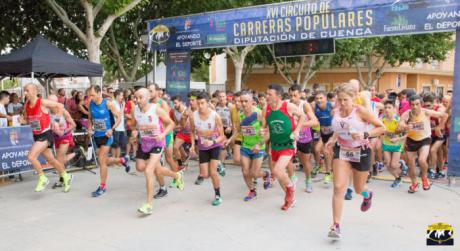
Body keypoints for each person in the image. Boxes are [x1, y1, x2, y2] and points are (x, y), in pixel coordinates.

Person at [325, 82, 385, 239]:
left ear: (353, 98)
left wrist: (365, 135)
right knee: (338, 187)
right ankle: (336, 225)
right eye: (339, 99)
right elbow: (339, 130)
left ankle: (367, 194)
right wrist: (332, 139)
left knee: (358, 189)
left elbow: (381, 127)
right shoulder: (335, 112)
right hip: (342, 151)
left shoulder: (361, 112)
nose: (342, 103)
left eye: (345, 100)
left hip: (361, 152)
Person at [131, 88, 184, 215]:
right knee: (142, 167)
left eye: (140, 97)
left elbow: (171, 124)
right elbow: (134, 124)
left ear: (148, 97)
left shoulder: (156, 109)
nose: (137, 100)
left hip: (157, 143)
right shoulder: (135, 110)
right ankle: (177, 175)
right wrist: (134, 131)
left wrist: (163, 134)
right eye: (136, 97)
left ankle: (148, 205)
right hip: (144, 143)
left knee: (149, 170)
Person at [22, 84, 72, 192]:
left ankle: (42, 177)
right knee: (51, 160)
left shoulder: (42, 102)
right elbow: (28, 120)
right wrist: (23, 121)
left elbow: (60, 106)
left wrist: (57, 121)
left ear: (35, 91)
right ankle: (65, 176)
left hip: (45, 135)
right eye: (24, 91)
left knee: (31, 156)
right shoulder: (26, 105)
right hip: (37, 135)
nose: (25, 93)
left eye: (27, 90)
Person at [263, 84, 305, 211]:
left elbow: (302, 116)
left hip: (288, 144)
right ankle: (289, 198)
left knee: (277, 170)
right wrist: (261, 133)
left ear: (278, 96)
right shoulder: (266, 109)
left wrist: (297, 130)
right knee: (280, 174)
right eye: (267, 93)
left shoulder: (288, 106)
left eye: (270, 94)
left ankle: (290, 188)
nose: (267, 96)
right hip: (275, 145)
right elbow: (265, 128)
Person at [398, 95, 447, 193]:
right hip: (411, 140)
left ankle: (424, 179)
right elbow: (400, 124)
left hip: (424, 139)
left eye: (417, 104)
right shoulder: (406, 114)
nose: (415, 106)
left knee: (421, 160)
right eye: (412, 104)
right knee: (411, 165)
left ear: (421, 104)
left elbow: (444, 115)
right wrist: (405, 126)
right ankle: (414, 183)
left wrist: (439, 127)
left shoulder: (426, 112)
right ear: (410, 105)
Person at [87, 85, 130, 197]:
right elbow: (90, 118)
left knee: (101, 161)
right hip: (97, 136)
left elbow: (119, 117)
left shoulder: (107, 104)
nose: (91, 97)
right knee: (104, 160)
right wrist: (89, 128)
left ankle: (102, 187)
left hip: (107, 136)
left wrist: (112, 129)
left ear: (99, 93)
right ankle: (122, 160)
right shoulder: (91, 104)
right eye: (89, 95)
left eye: (92, 95)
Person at [229, 91, 271, 201]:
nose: (243, 104)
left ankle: (266, 174)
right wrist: (229, 140)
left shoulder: (259, 113)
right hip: (246, 146)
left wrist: (260, 143)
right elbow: (238, 130)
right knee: (245, 171)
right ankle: (252, 191)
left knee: (254, 173)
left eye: (245, 101)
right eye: (241, 101)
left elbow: (268, 132)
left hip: (258, 147)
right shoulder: (240, 114)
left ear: (252, 102)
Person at [190, 92, 226, 206]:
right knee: (204, 175)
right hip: (202, 147)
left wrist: (213, 141)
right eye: (198, 103)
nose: (200, 106)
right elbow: (192, 131)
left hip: (214, 145)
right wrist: (192, 145)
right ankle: (218, 164)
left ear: (207, 103)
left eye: (202, 103)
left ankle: (218, 195)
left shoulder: (215, 116)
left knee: (213, 173)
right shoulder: (193, 115)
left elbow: (222, 136)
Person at [289, 85, 319, 193]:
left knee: (305, 161)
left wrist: (299, 125)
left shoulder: (305, 105)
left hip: (304, 137)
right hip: (291, 136)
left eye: (295, 95)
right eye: (291, 95)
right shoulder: (287, 104)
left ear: (300, 94)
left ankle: (308, 180)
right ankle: (292, 180)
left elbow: (314, 121)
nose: (292, 98)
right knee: (289, 160)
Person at [48, 94, 76, 186]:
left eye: (52, 102)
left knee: (59, 159)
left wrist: (63, 131)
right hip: (55, 138)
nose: (49, 104)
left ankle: (64, 178)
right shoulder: (47, 112)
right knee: (61, 160)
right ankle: (63, 178)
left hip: (65, 137)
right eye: (48, 101)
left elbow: (73, 125)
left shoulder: (63, 111)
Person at [381, 100, 405, 188]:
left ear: (394, 109)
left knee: (394, 165)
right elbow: (379, 130)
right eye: (385, 107)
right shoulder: (382, 119)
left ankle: (401, 165)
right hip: (386, 144)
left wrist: (398, 139)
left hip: (397, 145)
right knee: (388, 165)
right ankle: (397, 178)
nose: (387, 110)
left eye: (389, 107)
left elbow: (407, 134)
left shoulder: (398, 120)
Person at [313, 91, 334, 185]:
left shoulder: (332, 105)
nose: (319, 100)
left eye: (321, 98)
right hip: (323, 133)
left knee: (326, 151)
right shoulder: (314, 107)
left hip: (334, 133)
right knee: (319, 150)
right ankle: (326, 168)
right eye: (317, 98)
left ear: (326, 98)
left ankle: (328, 173)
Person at [215, 90, 233, 176]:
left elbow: (234, 119)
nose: (221, 98)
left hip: (228, 129)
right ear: (218, 98)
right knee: (222, 146)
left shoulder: (230, 107)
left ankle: (222, 162)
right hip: (219, 129)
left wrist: (230, 126)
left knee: (224, 146)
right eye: (220, 97)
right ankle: (221, 163)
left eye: (223, 96)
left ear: (226, 97)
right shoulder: (215, 107)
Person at [111, 90, 126, 159]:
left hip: (121, 127)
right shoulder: (113, 103)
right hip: (116, 127)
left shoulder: (120, 104)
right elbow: (118, 114)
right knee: (114, 145)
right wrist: (123, 106)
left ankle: (118, 159)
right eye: (121, 95)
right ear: (117, 96)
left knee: (120, 145)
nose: (122, 97)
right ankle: (113, 159)